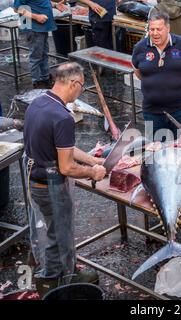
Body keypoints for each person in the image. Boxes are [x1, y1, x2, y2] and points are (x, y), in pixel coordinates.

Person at [23, 62, 106, 298]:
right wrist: (93, 173)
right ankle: (52, 283)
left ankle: (64, 272)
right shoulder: (63, 117)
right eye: (81, 86)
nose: (80, 91)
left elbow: (65, 148)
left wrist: (92, 160)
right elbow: (66, 166)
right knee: (57, 236)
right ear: (73, 83)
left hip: (35, 177)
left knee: (53, 231)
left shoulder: (38, 103)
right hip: (49, 185)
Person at [132, 11, 181, 140]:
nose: (155, 33)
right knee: (155, 151)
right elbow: (139, 73)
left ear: (168, 28)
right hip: (152, 111)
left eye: (159, 29)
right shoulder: (140, 48)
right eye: (152, 29)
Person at [13, 1, 66, 89]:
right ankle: (37, 82)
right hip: (34, 28)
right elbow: (17, 9)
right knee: (36, 57)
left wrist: (55, 5)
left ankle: (45, 78)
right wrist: (36, 17)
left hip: (43, 27)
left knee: (44, 54)